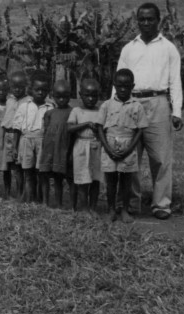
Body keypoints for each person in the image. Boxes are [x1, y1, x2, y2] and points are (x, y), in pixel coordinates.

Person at [117, 2, 183, 220]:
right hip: (132, 104)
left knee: (161, 158)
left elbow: (175, 81)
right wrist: (114, 108)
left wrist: (177, 111)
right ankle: (133, 204)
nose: (146, 23)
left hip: (158, 103)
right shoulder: (129, 48)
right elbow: (118, 79)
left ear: (158, 21)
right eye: (142, 19)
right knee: (131, 157)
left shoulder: (168, 48)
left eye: (150, 19)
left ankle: (161, 204)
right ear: (138, 21)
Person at [97, 69, 149, 223]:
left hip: (129, 147)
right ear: (114, 85)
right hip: (109, 146)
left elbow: (140, 130)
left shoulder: (137, 106)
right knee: (111, 182)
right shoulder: (107, 105)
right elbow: (100, 127)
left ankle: (125, 210)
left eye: (127, 86)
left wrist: (130, 148)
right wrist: (107, 148)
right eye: (120, 86)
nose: (123, 89)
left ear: (132, 86)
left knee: (126, 182)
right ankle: (111, 209)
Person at [12, 70, 55, 203]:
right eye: (37, 90)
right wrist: (14, 147)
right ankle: (28, 199)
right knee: (28, 173)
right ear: (31, 90)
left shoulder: (50, 107)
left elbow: (51, 130)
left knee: (42, 173)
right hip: (26, 141)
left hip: (42, 142)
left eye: (43, 90)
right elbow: (17, 128)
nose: (40, 93)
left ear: (48, 90)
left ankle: (42, 201)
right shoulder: (24, 106)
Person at [67, 79, 103, 214]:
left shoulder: (100, 111)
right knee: (82, 179)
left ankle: (93, 208)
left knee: (95, 178)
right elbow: (69, 128)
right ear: (80, 94)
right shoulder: (76, 111)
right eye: (87, 95)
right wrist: (86, 124)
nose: (90, 99)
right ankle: (84, 208)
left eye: (94, 96)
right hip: (81, 147)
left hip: (96, 146)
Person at [39, 81, 73, 208]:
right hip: (49, 149)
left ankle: (60, 204)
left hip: (62, 150)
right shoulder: (49, 113)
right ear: (53, 96)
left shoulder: (72, 112)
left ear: (70, 96)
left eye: (65, 96)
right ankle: (45, 202)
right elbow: (46, 132)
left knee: (59, 178)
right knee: (45, 175)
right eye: (58, 96)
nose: (62, 99)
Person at [2, 72, 31, 198]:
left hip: (20, 136)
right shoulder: (9, 100)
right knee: (6, 166)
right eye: (14, 87)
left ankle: (20, 193)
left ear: (26, 86)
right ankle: (7, 191)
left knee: (18, 166)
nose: (17, 89)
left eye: (20, 86)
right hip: (7, 135)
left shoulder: (28, 101)